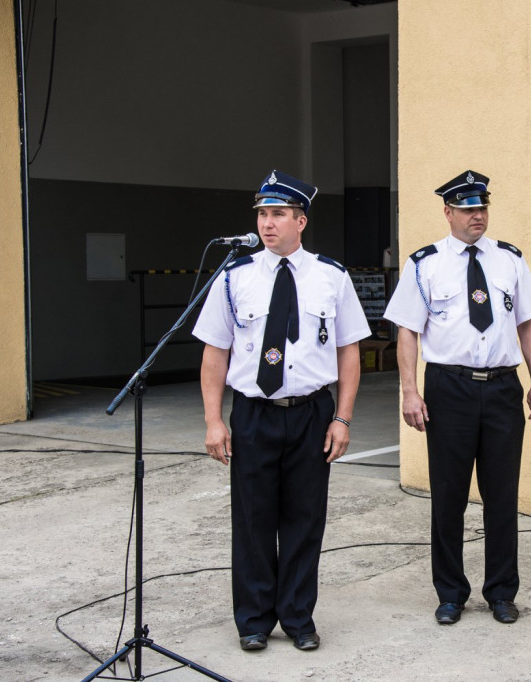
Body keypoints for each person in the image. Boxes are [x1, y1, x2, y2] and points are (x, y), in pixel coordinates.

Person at [192, 169, 370, 652]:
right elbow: (214, 353)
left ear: (301, 221)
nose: (267, 224)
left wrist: (343, 417)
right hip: (253, 413)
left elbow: (349, 351)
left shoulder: (332, 277)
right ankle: (253, 619)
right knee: (252, 521)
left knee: (304, 519)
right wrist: (213, 420)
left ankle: (297, 617)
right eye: (262, 215)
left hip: (313, 413)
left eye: (277, 215)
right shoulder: (234, 277)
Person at [384, 170, 531, 626]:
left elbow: (528, 324)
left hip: (501, 387)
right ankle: (450, 593)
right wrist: (410, 391)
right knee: (449, 496)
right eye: (469, 208)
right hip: (448, 388)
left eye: (483, 207)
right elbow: (408, 332)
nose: (478, 216)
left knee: (502, 495)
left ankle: (500, 592)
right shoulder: (426, 263)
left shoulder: (510, 260)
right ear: (448, 212)